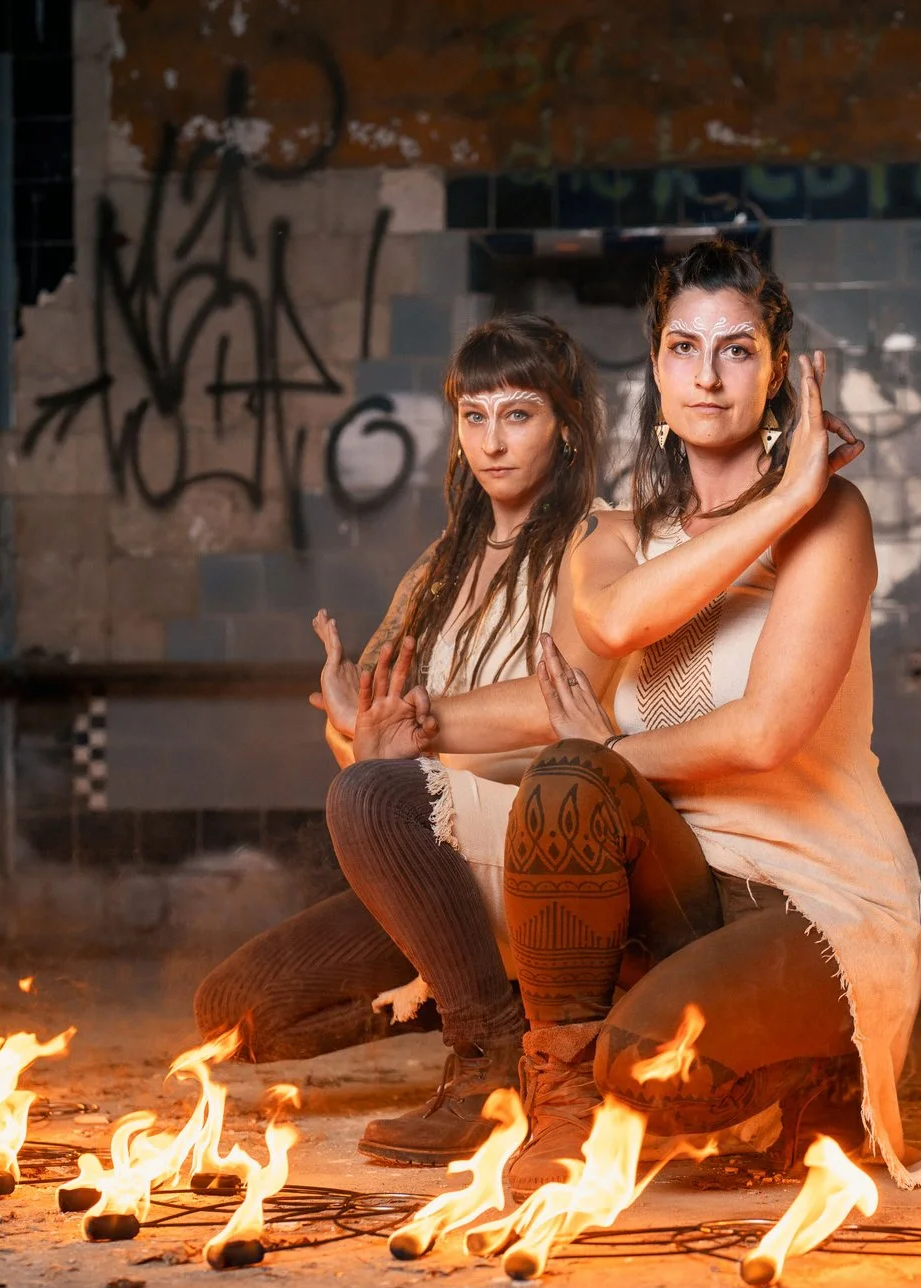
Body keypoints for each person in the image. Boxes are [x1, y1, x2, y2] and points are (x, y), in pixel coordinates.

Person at [497, 239, 921, 1192]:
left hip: (819, 893)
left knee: (654, 1071)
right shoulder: (613, 537)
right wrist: (776, 504)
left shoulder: (834, 518)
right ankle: (562, 1110)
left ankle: (831, 1059)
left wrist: (609, 752)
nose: (707, 372)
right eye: (683, 347)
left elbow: (766, 732)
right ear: (655, 369)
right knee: (565, 780)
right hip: (685, 879)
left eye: (736, 349)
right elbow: (612, 620)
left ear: (778, 371)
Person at [192, 313, 612, 1164]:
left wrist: (412, 748)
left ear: (565, 426)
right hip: (434, 869)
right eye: (475, 415)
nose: (493, 441)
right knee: (234, 1012)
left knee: (374, 791)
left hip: (538, 859)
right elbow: (369, 753)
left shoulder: (600, 542)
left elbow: (568, 706)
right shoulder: (438, 565)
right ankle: (484, 996)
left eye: (519, 413)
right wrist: (354, 727)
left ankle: (490, 1059)